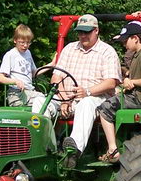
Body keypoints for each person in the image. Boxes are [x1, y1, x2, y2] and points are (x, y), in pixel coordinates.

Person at [52, 14, 122, 167]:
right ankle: (45, 148)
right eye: (80, 32)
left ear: (96, 30)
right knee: (40, 102)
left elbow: (111, 82)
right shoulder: (69, 49)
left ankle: (73, 150)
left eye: (87, 32)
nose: (82, 36)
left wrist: (88, 91)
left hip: (96, 98)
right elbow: (56, 77)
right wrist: (63, 99)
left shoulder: (107, 52)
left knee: (86, 103)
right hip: (66, 98)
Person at [97, 22, 141, 162]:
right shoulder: (138, 55)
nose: (124, 44)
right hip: (136, 95)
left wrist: (131, 82)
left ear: (135, 38)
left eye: (126, 41)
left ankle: (113, 149)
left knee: (105, 109)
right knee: (111, 100)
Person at [0, 24, 59, 117]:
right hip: (17, 95)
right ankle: (41, 127)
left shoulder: (28, 53)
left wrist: (51, 65)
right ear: (15, 40)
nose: (25, 46)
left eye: (28, 43)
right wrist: (15, 81)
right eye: (22, 42)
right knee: (44, 100)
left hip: (30, 93)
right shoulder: (10, 55)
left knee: (54, 100)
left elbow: (33, 73)